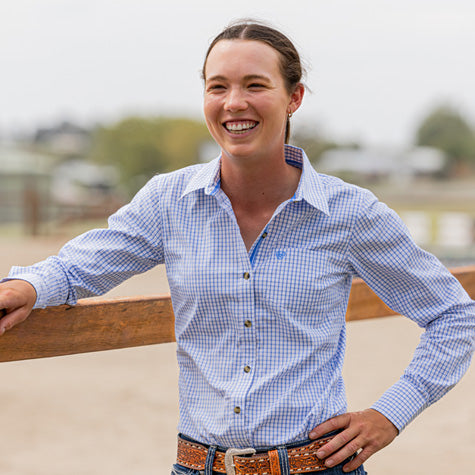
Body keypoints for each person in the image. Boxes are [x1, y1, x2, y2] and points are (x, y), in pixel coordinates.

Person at [0, 20, 474, 475]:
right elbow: (78, 267)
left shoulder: (349, 213)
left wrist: (390, 415)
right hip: (197, 466)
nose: (234, 103)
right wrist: (26, 287)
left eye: (255, 85)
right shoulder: (169, 201)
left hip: (316, 467)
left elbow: (455, 316)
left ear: (294, 97)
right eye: (218, 87)